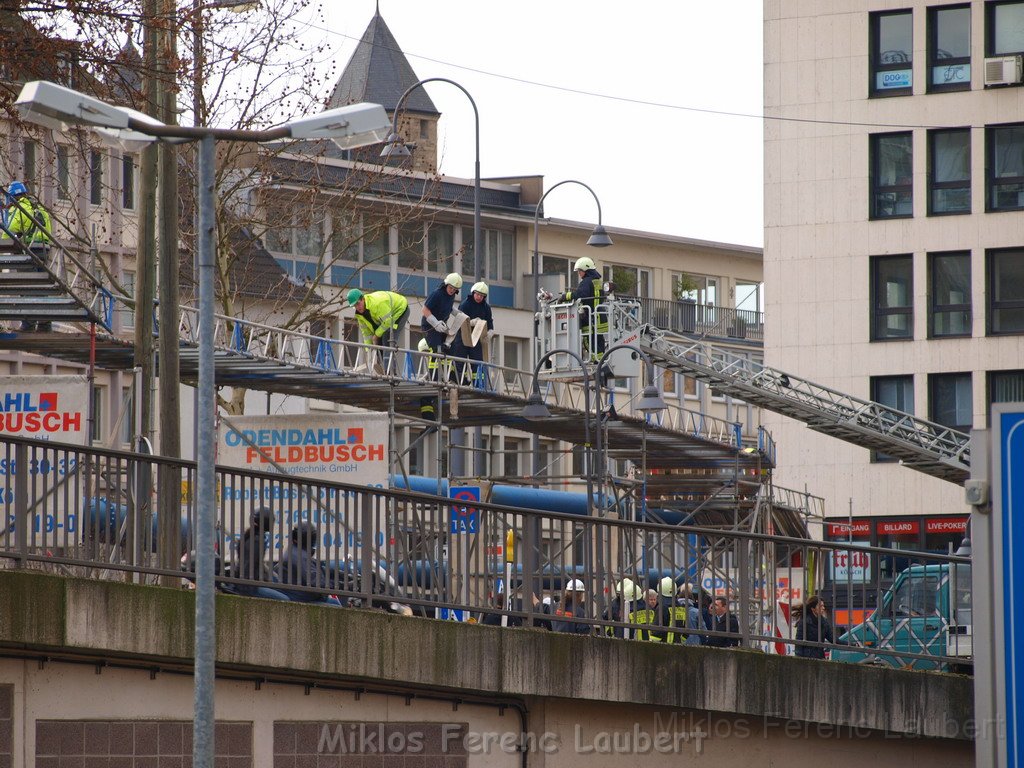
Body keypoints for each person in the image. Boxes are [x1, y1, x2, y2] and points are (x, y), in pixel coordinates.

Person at [3, 181, 53, 331]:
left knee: (27, 287)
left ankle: (29, 324)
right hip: (43, 250)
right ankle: (44, 324)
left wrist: (4, 241)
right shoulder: (39, 208)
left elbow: (11, 228)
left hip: (29, 250)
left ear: (12, 197)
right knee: (40, 287)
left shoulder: (21, 207)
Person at [419, 273, 463, 419]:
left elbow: (449, 308)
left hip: (442, 326)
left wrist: (458, 313)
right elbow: (425, 310)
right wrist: (435, 322)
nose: (452, 291)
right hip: (430, 326)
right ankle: (434, 377)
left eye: (454, 289)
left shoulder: (450, 296)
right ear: (446, 285)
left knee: (450, 348)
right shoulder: (437, 294)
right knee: (436, 349)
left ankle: (448, 377)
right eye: (450, 288)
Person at [275, 521, 351, 605]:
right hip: (301, 598)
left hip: (305, 595)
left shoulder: (296, 551)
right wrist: (344, 586)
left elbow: (317, 568)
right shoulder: (299, 556)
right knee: (337, 608)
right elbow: (317, 582)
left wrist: (342, 575)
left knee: (335, 602)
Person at [231, 507, 289, 601]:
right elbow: (249, 565)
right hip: (249, 587)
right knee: (285, 599)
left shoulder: (252, 535)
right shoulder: (256, 541)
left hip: (248, 583)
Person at [347, 288, 409, 372]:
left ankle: (390, 373)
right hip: (385, 319)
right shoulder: (359, 315)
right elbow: (366, 334)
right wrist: (368, 350)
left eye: (358, 304)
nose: (357, 307)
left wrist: (376, 335)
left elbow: (388, 322)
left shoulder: (377, 304)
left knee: (388, 339)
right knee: (379, 345)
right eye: (354, 306)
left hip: (399, 310)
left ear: (363, 299)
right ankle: (382, 372)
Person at [561, 256, 607, 363]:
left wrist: (565, 296)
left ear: (586, 270)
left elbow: (581, 294)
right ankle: (602, 360)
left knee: (588, 341)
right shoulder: (598, 281)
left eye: (580, 271)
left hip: (589, 318)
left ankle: (597, 361)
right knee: (599, 340)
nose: (579, 273)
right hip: (600, 318)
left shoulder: (586, 281)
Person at [449, 281, 493, 386]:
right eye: (477, 294)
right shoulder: (465, 304)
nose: (479, 297)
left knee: (478, 363)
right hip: (463, 337)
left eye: (482, 296)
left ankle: (478, 385)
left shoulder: (486, 308)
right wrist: (471, 322)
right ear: (473, 293)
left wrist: (490, 333)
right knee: (459, 361)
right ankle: (457, 383)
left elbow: (490, 323)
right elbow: (459, 320)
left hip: (477, 339)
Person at [794, 595, 836, 659]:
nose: (823, 608)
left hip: (820, 657)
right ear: (813, 608)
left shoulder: (824, 622)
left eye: (823, 605)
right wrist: (799, 660)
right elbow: (798, 643)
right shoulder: (804, 622)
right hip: (807, 658)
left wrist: (852, 644)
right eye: (820, 606)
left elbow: (833, 640)